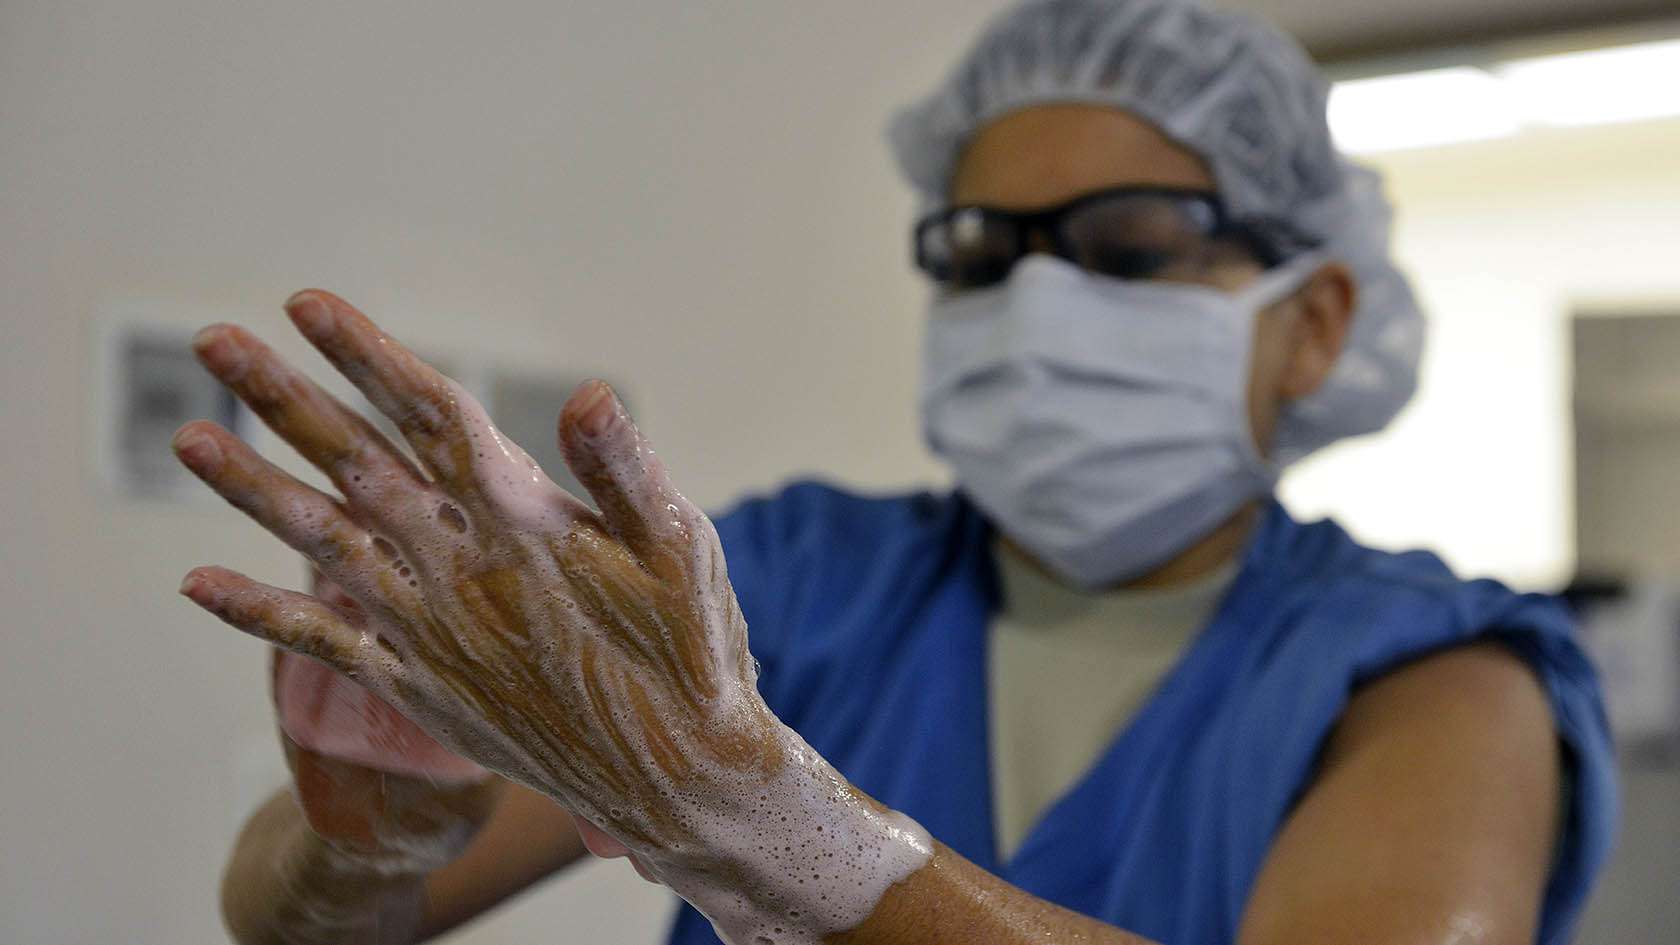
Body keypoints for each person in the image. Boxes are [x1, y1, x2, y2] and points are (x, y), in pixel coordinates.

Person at [187, 1, 1617, 943]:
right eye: (983, 255)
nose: (1039, 306)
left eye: (1129, 248)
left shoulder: (1437, 677)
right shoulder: (782, 582)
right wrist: (375, 839)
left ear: (1313, 324)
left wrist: (769, 829)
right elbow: (297, 918)